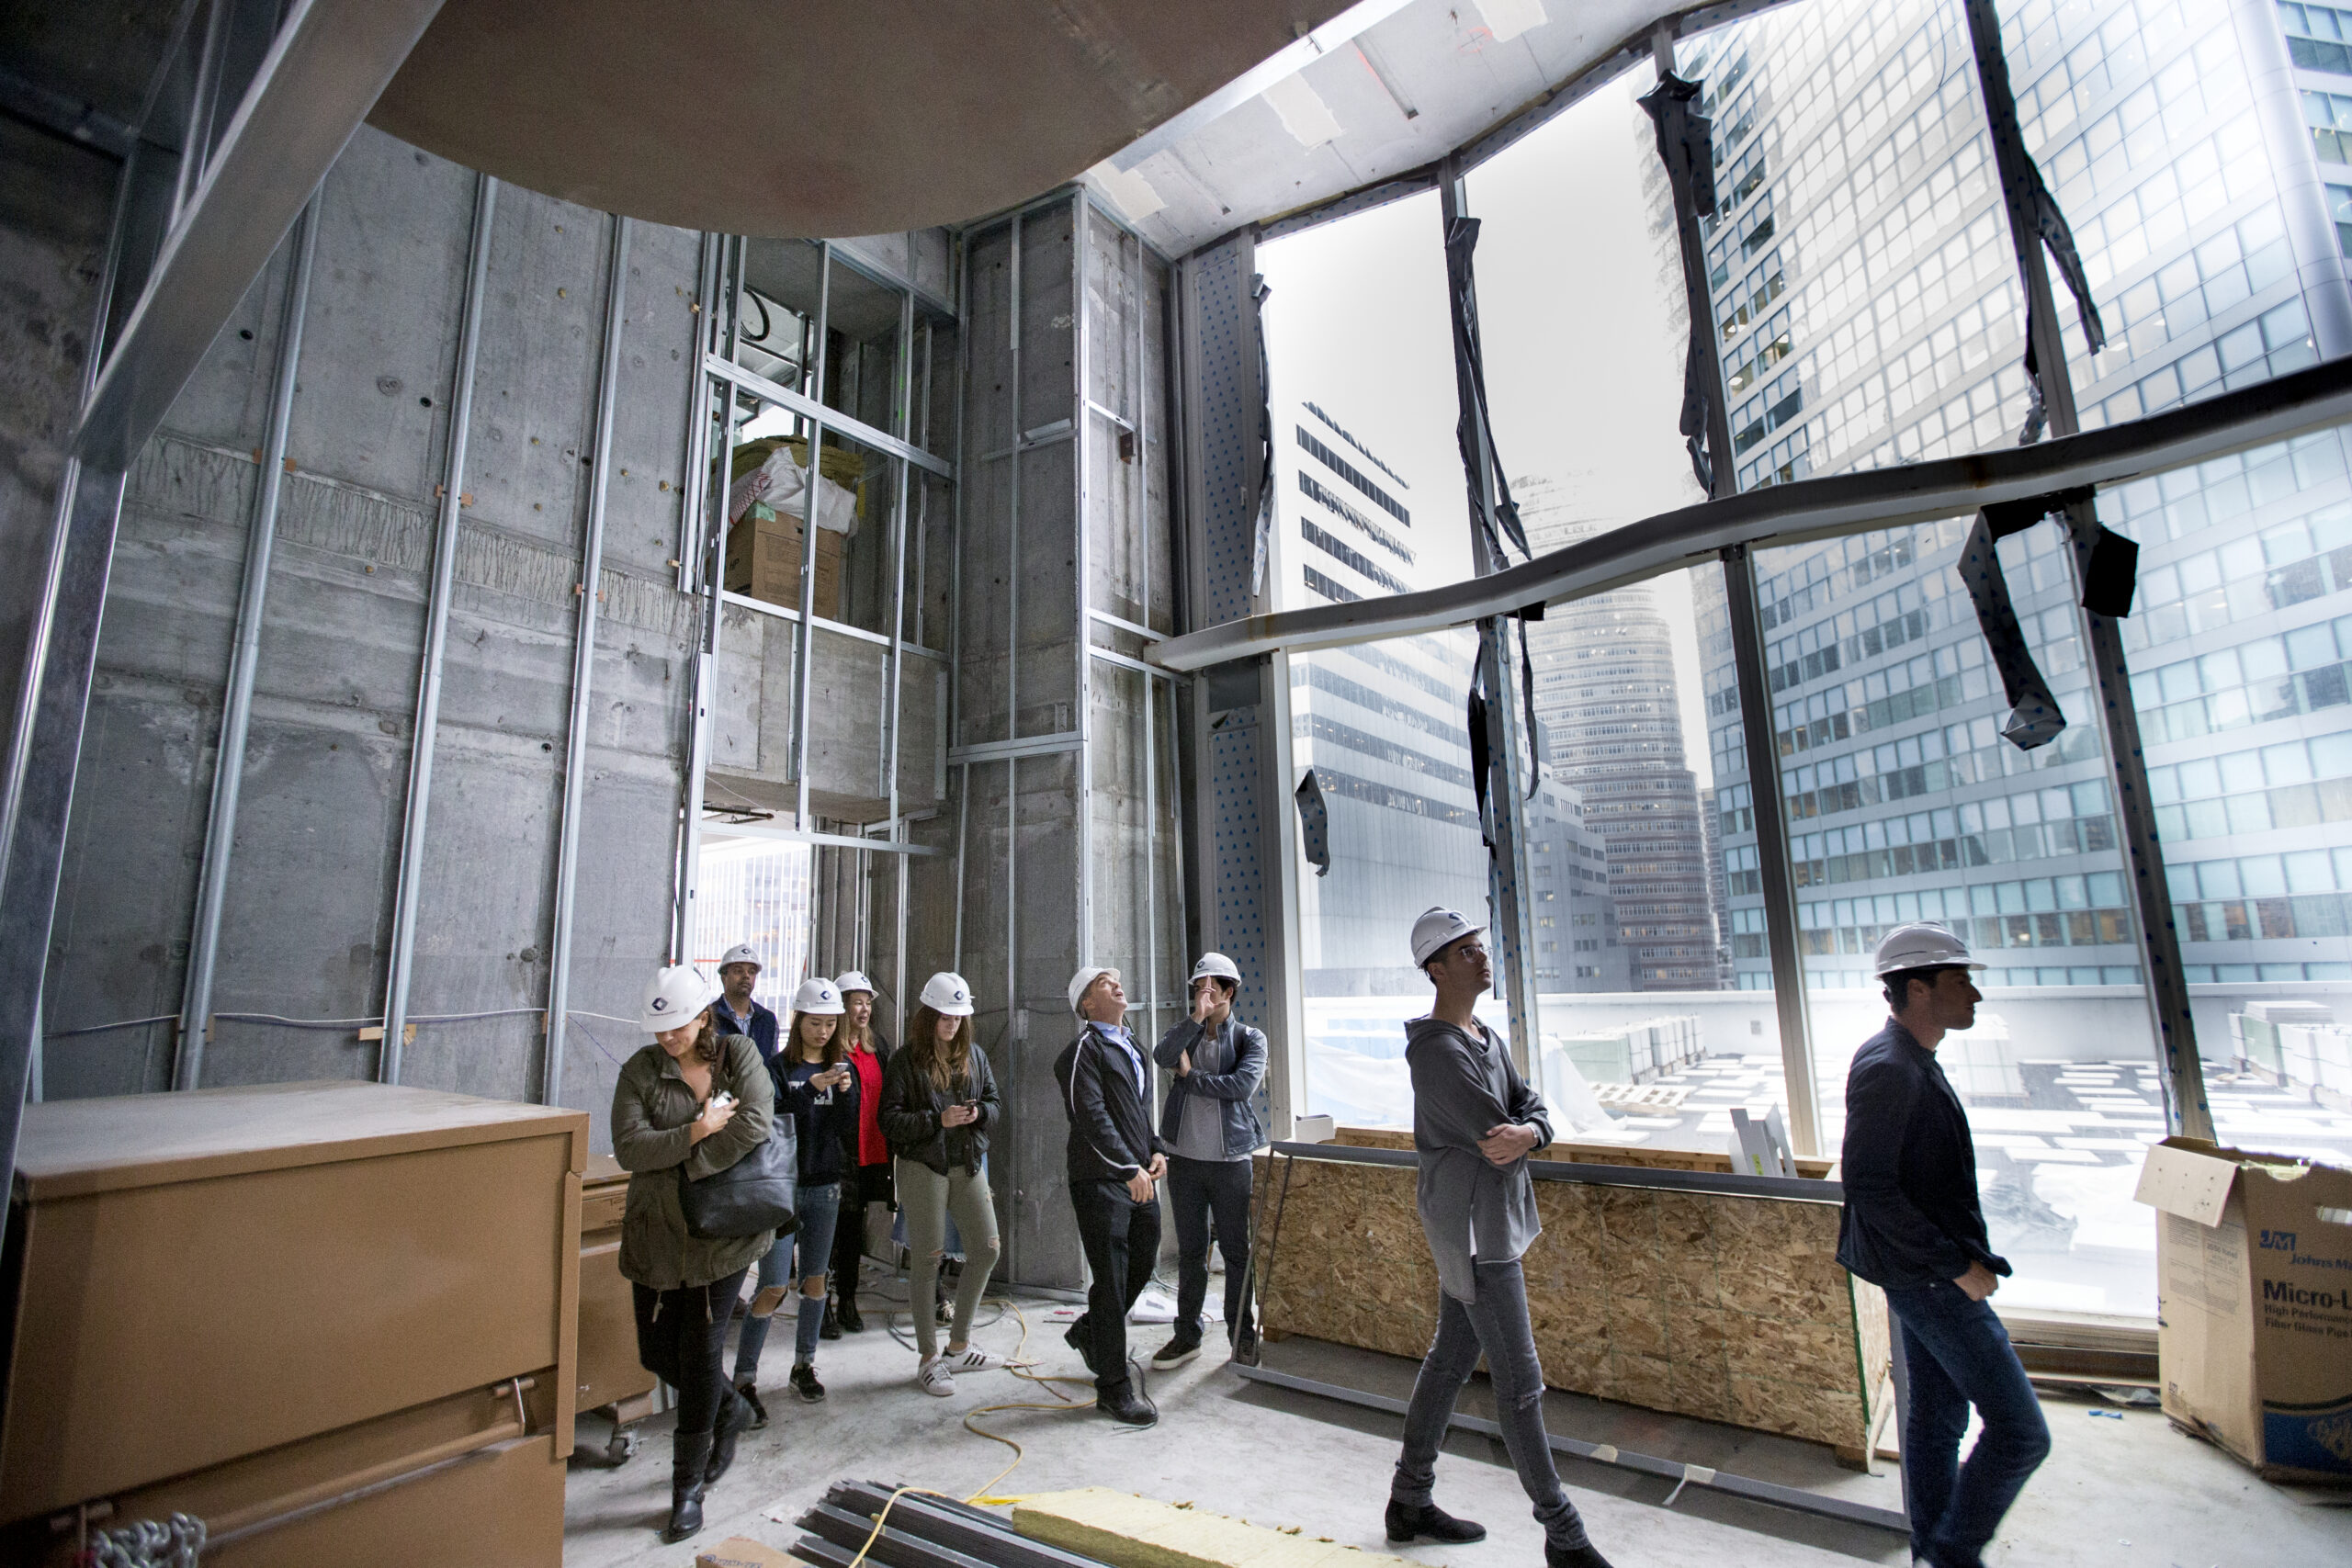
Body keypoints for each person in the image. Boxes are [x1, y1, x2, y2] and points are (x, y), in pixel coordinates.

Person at [1387, 908, 1611, 1568]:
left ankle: (1408, 1498)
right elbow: (1495, 1135)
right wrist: (1523, 1129)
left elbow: (1530, 1109)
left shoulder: (1484, 1035)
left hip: (1490, 1225)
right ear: (1435, 968)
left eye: (1479, 946)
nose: (1480, 958)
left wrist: (1532, 1129)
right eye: (1463, 952)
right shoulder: (1435, 1050)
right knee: (1520, 1382)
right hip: (1474, 1234)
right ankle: (1563, 1533)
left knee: (1451, 1358)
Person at [1841, 924, 2047, 1568]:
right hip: (1929, 1278)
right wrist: (1956, 1263)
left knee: (1936, 1421)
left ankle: (1933, 1550)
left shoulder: (1912, 1059)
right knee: (2019, 1432)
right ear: (1919, 988)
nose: (1977, 994)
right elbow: (1871, 1187)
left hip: (1925, 1271)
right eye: (1962, 982)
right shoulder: (1889, 1068)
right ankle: (1953, 1555)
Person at [610, 964, 776, 1545]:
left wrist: (688, 1164)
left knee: (700, 1353)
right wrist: (696, 1133)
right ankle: (728, 1406)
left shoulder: (738, 1056)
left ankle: (685, 1489)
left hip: (722, 1236)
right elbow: (629, 1147)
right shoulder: (641, 1070)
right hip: (656, 1235)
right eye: (660, 1030)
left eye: (678, 1027)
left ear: (703, 1016)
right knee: (658, 1353)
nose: (668, 1038)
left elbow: (756, 1121)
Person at [730, 976, 856, 1414]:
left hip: (824, 1186)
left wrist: (844, 1094)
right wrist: (812, 1090)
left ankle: (804, 1365)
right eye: (815, 1023)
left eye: (829, 1025)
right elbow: (776, 1121)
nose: (822, 1033)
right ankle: (744, 1378)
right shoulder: (776, 1069)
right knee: (772, 1285)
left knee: (816, 1281)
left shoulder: (845, 1067)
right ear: (799, 1020)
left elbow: (847, 1130)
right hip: (782, 1187)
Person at [879, 971, 1006, 1395]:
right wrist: (937, 1120)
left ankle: (959, 1345)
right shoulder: (905, 1060)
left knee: (987, 1249)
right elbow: (890, 1120)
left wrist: (977, 1115)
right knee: (929, 1258)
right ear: (929, 1015)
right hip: (923, 1166)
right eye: (944, 1017)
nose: (951, 1025)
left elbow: (994, 1102)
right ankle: (929, 1357)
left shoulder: (975, 1056)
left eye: (958, 1017)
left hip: (966, 1161)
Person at [1054, 964, 1165, 1427]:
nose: (1117, 985)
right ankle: (1113, 1389)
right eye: (1104, 983)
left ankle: (1089, 1332)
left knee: (1142, 1259)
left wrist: (1155, 1149)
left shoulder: (1131, 1044)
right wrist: (1126, 1168)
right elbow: (1090, 1116)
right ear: (1087, 1004)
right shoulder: (1081, 1051)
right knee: (1113, 1276)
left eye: (1116, 980)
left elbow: (1137, 1110)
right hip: (1101, 1179)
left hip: (1138, 1173)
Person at [1149, 952, 1265, 1370]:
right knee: (1191, 1253)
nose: (1203, 996)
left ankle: (1242, 1336)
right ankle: (1186, 1336)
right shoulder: (1189, 1033)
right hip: (1184, 1160)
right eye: (1198, 989)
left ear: (1229, 992)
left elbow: (1240, 1087)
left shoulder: (1250, 1038)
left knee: (1236, 1252)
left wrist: (1191, 1078)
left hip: (1231, 1160)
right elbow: (1163, 1055)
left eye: (1211, 990)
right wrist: (1196, 1020)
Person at [828, 969, 894, 1337]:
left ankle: (848, 1301)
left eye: (868, 1002)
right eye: (857, 1002)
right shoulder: (830, 1050)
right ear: (842, 1007)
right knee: (832, 1231)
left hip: (870, 1152)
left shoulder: (876, 1046)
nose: (864, 1008)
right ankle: (822, 1305)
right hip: (840, 1154)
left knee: (854, 1230)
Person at [709, 942, 781, 1060]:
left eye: (752, 972)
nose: (746, 976)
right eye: (738, 971)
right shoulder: (709, 1017)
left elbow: (772, 1065)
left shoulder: (767, 1019)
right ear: (724, 977)